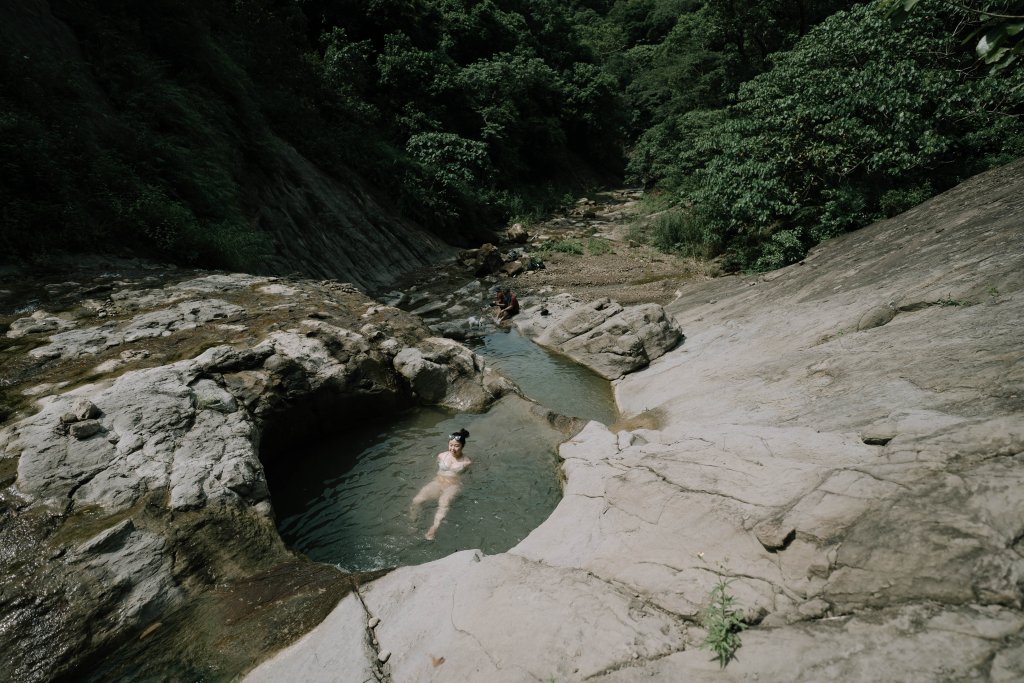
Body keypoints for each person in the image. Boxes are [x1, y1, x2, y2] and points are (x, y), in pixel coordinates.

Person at [409, 428, 472, 540]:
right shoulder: (441, 456)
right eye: (451, 445)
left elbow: (468, 477)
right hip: (438, 482)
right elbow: (435, 469)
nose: (453, 448)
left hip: (453, 485)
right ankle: (414, 524)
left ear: (462, 446)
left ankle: (434, 528)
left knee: (443, 502)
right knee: (416, 500)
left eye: (456, 445)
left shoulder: (466, 462)